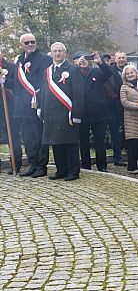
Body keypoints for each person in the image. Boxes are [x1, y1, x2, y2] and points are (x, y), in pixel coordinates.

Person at [40, 42, 85, 181]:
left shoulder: (73, 69)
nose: (58, 53)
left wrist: (76, 113)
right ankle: (61, 170)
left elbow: (79, 93)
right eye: (55, 51)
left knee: (70, 143)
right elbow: (44, 92)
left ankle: (73, 171)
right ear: (51, 53)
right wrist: (41, 109)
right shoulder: (47, 71)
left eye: (60, 51)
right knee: (56, 143)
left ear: (65, 53)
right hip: (51, 113)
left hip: (67, 112)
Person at [12, 33, 52, 178]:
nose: (30, 45)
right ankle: (33, 164)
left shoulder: (45, 59)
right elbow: (16, 84)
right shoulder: (19, 61)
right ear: (21, 45)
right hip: (22, 107)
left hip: (37, 104)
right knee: (28, 137)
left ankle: (41, 166)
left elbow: (45, 82)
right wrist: (4, 81)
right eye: (27, 43)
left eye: (32, 42)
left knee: (39, 136)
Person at [74, 51, 113, 172]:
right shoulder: (73, 74)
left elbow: (108, 73)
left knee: (99, 141)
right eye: (80, 59)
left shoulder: (96, 71)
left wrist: (100, 63)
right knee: (83, 141)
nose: (83, 60)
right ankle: (86, 165)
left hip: (99, 113)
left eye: (86, 58)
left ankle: (102, 166)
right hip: (82, 113)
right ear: (74, 61)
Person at [0, 53, 23, 174]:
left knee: (12, 136)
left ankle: (16, 162)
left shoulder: (11, 67)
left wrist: (5, 81)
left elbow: (17, 84)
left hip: (7, 108)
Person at [105, 51, 128, 167]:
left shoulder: (130, 69)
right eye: (119, 58)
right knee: (115, 133)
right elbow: (107, 86)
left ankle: (130, 154)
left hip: (128, 106)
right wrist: (117, 98)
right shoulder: (110, 71)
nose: (121, 60)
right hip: (113, 106)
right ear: (115, 59)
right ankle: (117, 157)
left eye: (123, 57)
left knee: (128, 131)